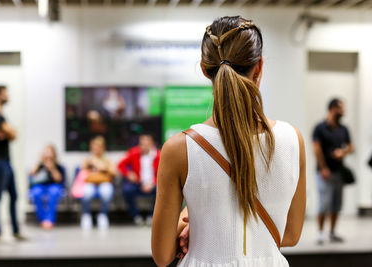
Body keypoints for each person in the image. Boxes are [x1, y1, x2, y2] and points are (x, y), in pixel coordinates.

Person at [151, 16, 306, 267]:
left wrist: (191, 221)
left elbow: (162, 254)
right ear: (259, 66)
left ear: (204, 68)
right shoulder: (292, 140)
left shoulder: (179, 149)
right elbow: (290, 234)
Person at [0, 85, 26, 241]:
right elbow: (13, 134)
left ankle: (15, 230)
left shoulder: (0, 116)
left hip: (6, 161)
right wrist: (9, 132)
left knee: (14, 195)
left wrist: (9, 132)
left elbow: (13, 134)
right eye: (5, 93)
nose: (8, 95)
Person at [312, 98, 354, 244]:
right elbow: (316, 149)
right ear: (332, 108)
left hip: (339, 173)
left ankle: (332, 232)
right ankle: (319, 233)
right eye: (341, 108)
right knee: (324, 203)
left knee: (337, 204)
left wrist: (342, 152)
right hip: (324, 173)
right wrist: (323, 168)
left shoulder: (344, 129)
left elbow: (351, 147)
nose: (343, 111)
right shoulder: (320, 128)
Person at [118, 134, 160, 226]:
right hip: (137, 182)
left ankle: (152, 216)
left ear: (152, 144)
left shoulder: (159, 155)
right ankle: (136, 216)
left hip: (153, 183)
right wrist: (128, 174)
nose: (144, 146)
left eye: (147, 144)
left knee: (160, 192)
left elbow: (162, 172)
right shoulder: (133, 152)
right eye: (142, 144)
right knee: (127, 190)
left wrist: (153, 183)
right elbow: (121, 165)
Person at [79, 136, 116, 230]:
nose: (96, 149)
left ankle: (103, 215)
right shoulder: (87, 160)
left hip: (104, 183)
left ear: (103, 148)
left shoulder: (107, 160)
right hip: (90, 183)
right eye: (94, 146)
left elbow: (114, 173)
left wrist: (102, 167)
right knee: (86, 192)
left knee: (107, 192)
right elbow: (82, 173)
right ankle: (86, 215)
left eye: (99, 146)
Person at [29, 145, 65, 230]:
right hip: (40, 186)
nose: (48, 154)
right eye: (46, 152)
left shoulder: (58, 166)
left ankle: (49, 219)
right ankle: (42, 219)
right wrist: (40, 164)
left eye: (50, 152)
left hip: (53, 186)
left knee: (54, 192)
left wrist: (52, 168)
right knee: (36, 193)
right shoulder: (39, 165)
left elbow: (59, 179)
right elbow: (31, 176)